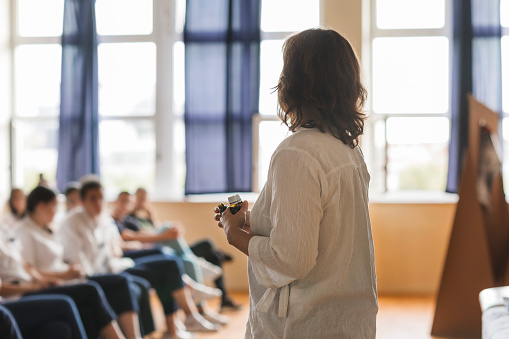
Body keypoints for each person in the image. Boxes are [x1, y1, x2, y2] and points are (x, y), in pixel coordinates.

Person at [214, 28, 378, 338]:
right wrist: (254, 220)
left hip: (304, 325)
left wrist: (236, 234)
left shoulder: (297, 152)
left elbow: (291, 260)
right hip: (346, 322)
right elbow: (319, 228)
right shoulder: (346, 150)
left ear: (293, 83)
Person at [59, 180, 220, 339]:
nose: (98, 202)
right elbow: (79, 261)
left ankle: (183, 321)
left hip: (115, 266)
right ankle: (187, 305)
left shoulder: (104, 220)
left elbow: (114, 248)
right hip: (95, 273)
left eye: (100, 197)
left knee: (169, 263)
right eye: (93, 198)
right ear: (83, 200)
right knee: (136, 279)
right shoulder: (72, 222)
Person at [15, 186, 147, 338]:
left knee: (87, 312)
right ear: (40, 206)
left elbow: (57, 261)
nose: (56, 211)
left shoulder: (45, 229)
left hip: (64, 279)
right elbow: (29, 270)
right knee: (92, 290)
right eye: (53, 207)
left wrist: (70, 270)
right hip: (46, 285)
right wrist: (66, 274)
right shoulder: (24, 231)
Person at [0, 223, 125, 339]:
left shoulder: (5, 230)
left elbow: (25, 265)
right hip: (15, 296)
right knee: (71, 301)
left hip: (30, 284)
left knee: (60, 328)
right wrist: (34, 287)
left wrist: (43, 280)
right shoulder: (24, 230)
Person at [123, 189, 241, 310]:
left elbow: (157, 231)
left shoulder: (146, 218)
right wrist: (167, 234)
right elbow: (145, 238)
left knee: (208, 247)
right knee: (203, 256)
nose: (143, 202)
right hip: (162, 251)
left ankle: (218, 289)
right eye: (140, 199)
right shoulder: (130, 220)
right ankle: (204, 297)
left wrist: (152, 216)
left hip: (173, 249)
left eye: (145, 199)